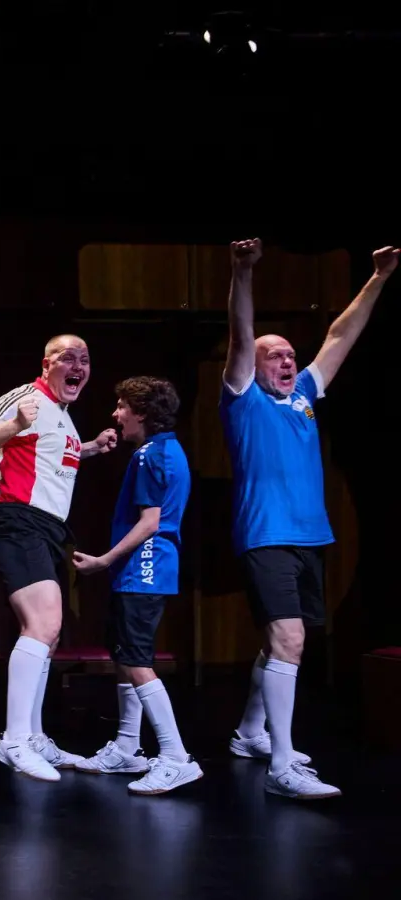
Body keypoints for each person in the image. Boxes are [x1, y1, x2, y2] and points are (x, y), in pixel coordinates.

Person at [219, 239, 395, 799]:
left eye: (292, 355)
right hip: (265, 534)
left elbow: (341, 336)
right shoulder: (243, 397)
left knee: (281, 644)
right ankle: (283, 764)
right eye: (277, 356)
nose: (288, 361)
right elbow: (241, 334)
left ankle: (250, 733)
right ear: (255, 365)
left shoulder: (306, 396)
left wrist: (378, 277)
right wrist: (242, 273)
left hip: (309, 537)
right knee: (289, 639)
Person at [0, 335, 118, 781]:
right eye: (68, 358)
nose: (78, 366)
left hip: (48, 528)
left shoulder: (64, 419)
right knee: (44, 623)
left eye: (85, 360)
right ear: (46, 364)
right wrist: (13, 423)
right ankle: (14, 740)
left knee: (47, 636)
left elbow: (48, 456)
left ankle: (30, 735)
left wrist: (89, 448)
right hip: (17, 519)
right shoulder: (27, 397)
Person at [70, 376, 200, 794]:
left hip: (145, 568)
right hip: (144, 571)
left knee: (139, 660)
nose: (116, 413)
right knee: (126, 654)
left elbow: (151, 522)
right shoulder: (165, 449)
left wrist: (103, 561)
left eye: (123, 405)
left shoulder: (149, 455)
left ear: (142, 412)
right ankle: (128, 746)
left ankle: (175, 756)